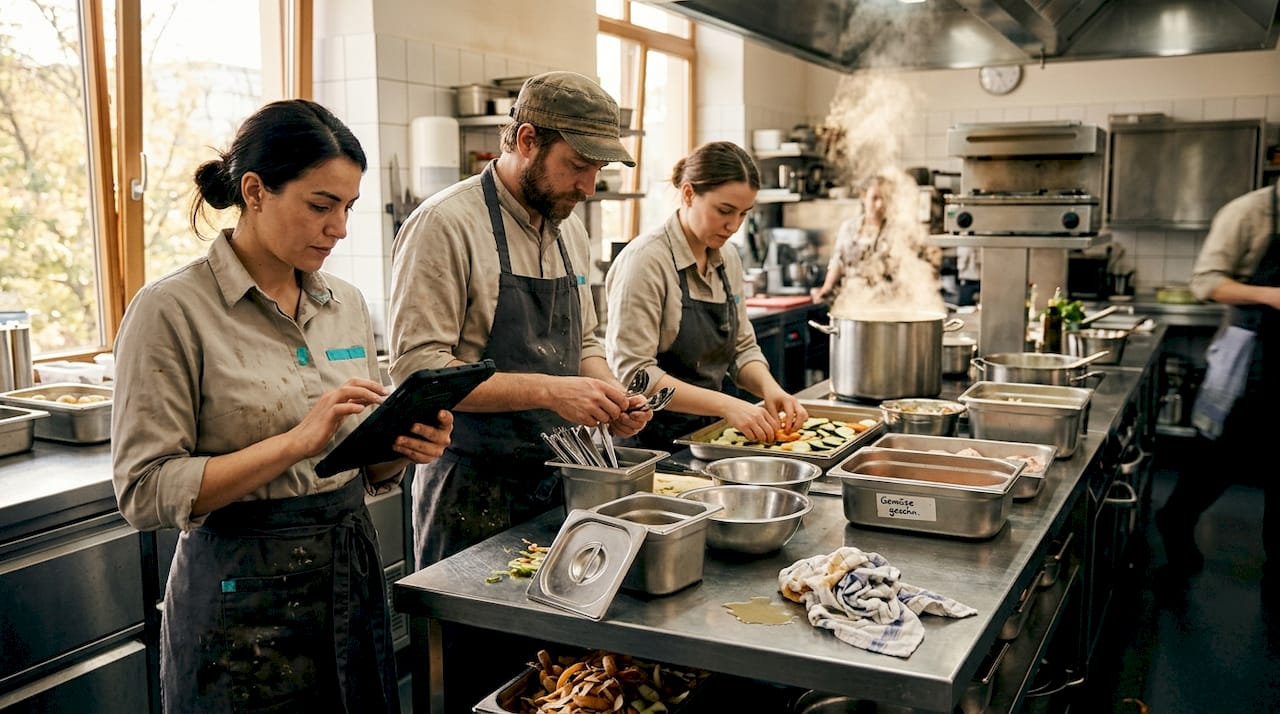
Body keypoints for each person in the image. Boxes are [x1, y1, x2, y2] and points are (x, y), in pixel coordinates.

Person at [111, 99, 454, 713]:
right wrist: (296, 441)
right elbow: (144, 491)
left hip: (348, 578)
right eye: (321, 205)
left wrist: (398, 449)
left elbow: (361, 464)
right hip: (237, 599)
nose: (340, 228)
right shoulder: (171, 311)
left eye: (347, 207)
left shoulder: (344, 302)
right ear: (255, 191)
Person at [388, 71, 652, 571]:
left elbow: (587, 344)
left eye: (597, 170)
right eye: (578, 166)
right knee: (475, 646)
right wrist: (553, 391)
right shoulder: (445, 224)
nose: (589, 187)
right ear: (527, 140)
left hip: (560, 484)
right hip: (470, 493)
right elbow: (417, 372)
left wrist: (612, 395)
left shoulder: (570, 230)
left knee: (550, 649)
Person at [604, 140, 809, 449]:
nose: (734, 226)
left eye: (743, 214)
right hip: (650, 443)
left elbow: (742, 348)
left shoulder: (729, 258)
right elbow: (636, 376)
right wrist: (726, 405)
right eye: (724, 211)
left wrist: (771, 389)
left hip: (707, 438)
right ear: (688, 194)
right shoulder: (646, 261)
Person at [1155, 178, 1279, 600]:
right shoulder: (1250, 212)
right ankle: (1175, 527)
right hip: (1251, 357)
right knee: (1219, 455)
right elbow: (1206, 283)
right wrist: (1272, 295)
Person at [810, 173, 941, 309]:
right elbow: (838, 261)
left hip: (886, 305)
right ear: (863, 197)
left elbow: (910, 270)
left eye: (885, 199)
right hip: (850, 302)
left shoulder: (897, 231)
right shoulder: (849, 228)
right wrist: (827, 287)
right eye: (875, 198)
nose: (880, 204)